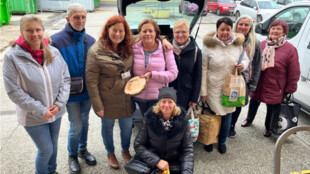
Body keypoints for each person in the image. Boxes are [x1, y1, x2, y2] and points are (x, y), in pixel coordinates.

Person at [3, 15, 70, 174]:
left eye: (38, 29)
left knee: (53, 146)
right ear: (21, 32)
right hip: (33, 115)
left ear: (43, 30)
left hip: (55, 111)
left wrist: (59, 104)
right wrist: (41, 110)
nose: (35, 34)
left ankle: (52, 171)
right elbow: (13, 91)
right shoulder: (12, 57)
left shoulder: (53, 52)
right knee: (46, 150)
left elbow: (65, 79)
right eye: (29, 30)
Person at [50, 3, 96, 174]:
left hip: (88, 92)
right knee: (75, 125)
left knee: (85, 122)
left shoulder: (91, 40)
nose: (80, 20)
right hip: (69, 94)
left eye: (83, 17)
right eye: (76, 17)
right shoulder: (55, 41)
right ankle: (72, 155)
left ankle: (83, 150)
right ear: (68, 18)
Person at [85, 15, 134, 169]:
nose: (118, 34)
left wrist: (164, 39)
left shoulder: (129, 45)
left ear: (126, 32)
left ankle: (125, 150)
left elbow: (149, 34)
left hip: (127, 95)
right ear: (107, 30)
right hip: (107, 98)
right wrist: (97, 105)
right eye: (114, 30)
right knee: (108, 127)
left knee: (127, 127)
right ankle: (110, 153)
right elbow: (91, 82)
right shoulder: (96, 51)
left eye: (121, 31)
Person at [242, 20, 300, 137]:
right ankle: (249, 119)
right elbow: (253, 62)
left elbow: (294, 71)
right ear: (269, 30)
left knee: (272, 107)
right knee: (254, 101)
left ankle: (269, 127)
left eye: (278, 29)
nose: (275, 31)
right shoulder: (262, 44)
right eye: (273, 28)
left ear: (284, 32)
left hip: (276, 85)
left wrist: (290, 88)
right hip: (259, 82)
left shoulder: (290, 49)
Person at [200, 17, 249, 154]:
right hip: (212, 87)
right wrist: (203, 91)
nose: (225, 32)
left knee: (227, 115)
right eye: (222, 29)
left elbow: (245, 59)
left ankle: (222, 141)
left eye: (228, 29)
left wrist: (242, 66)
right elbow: (203, 69)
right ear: (217, 30)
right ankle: (209, 139)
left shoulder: (237, 44)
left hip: (231, 87)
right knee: (212, 114)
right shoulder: (209, 46)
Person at [133, 86, 194, 174]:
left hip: (173, 161)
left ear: (175, 104)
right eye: (163, 101)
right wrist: (156, 161)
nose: (166, 105)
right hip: (153, 159)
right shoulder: (149, 119)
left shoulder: (183, 121)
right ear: (158, 103)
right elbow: (138, 145)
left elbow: (187, 149)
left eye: (170, 102)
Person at [133, 19, 178, 116]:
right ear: (139, 33)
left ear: (156, 33)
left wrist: (153, 74)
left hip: (158, 98)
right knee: (145, 124)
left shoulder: (165, 49)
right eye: (144, 31)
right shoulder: (133, 48)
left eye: (151, 31)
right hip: (138, 96)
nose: (147, 34)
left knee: (156, 127)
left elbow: (173, 73)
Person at [229, 15, 262, 137]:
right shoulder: (229, 38)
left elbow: (257, 64)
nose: (243, 27)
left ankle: (232, 126)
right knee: (226, 102)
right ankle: (223, 126)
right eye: (240, 24)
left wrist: (253, 84)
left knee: (237, 104)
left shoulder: (255, 43)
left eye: (246, 25)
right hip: (228, 76)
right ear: (236, 25)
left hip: (243, 79)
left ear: (250, 27)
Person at [169, 19, 202, 110]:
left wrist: (194, 98)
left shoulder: (196, 51)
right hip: (167, 95)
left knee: (182, 123)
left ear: (189, 32)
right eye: (177, 32)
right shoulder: (166, 49)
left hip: (186, 97)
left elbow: (197, 77)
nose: (180, 35)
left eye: (183, 32)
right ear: (173, 33)